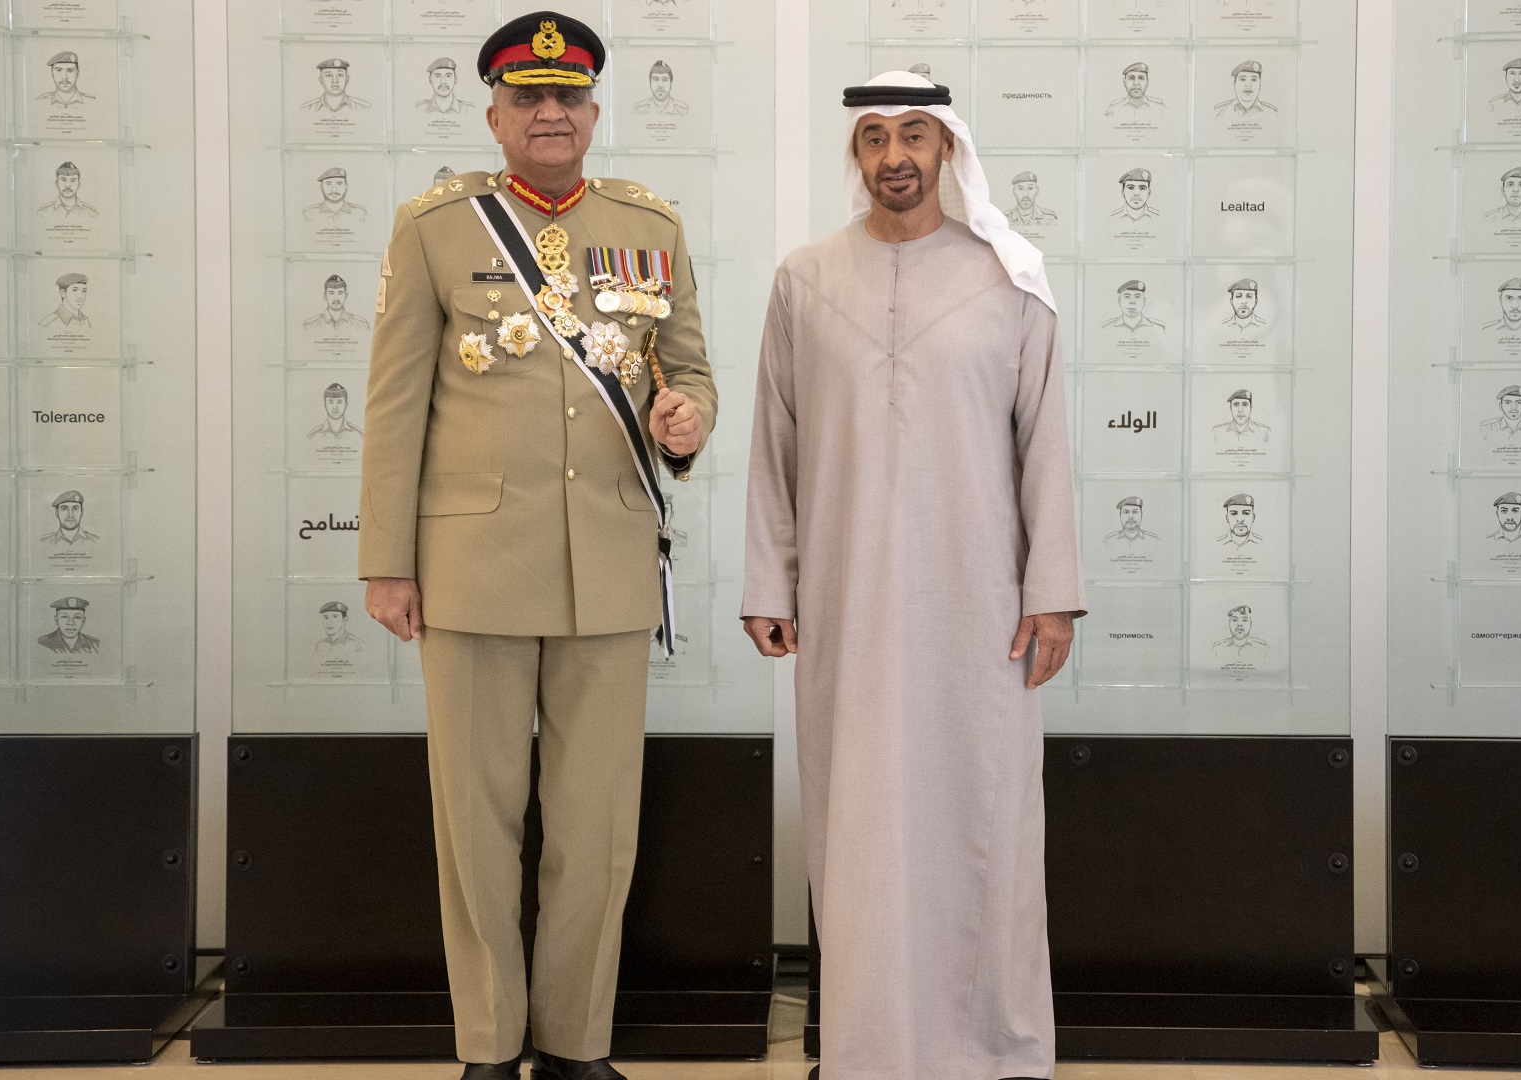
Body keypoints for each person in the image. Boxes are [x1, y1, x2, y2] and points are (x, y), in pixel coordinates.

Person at [358, 13, 713, 1080]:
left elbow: (685, 369)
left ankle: (575, 1041)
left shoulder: (650, 226)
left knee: (596, 830)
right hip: (470, 570)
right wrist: (387, 559)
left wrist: (686, 420)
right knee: (477, 825)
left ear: (594, 113)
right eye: (528, 98)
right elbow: (393, 407)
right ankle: (485, 1043)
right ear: (495, 114)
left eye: (568, 98)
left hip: (607, 562)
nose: (549, 113)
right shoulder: (435, 228)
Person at [741, 70, 1080, 1080]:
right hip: (846, 607)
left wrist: (1052, 589)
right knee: (858, 827)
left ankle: (995, 1051)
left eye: (917, 135)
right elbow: (774, 439)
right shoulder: (805, 278)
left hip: (979, 605)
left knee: (985, 821)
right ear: (856, 154)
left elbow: (1045, 445)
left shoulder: (1010, 277)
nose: (896, 155)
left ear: (947, 150)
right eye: (877, 136)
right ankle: (866, 1048)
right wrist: (771, 579)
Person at [302, 58, 368, 112]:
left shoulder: (363, 108)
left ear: (347, 79)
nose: (335, 80)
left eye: (340, 75)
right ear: (320, 79)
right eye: (328, 75)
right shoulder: (306, 110)